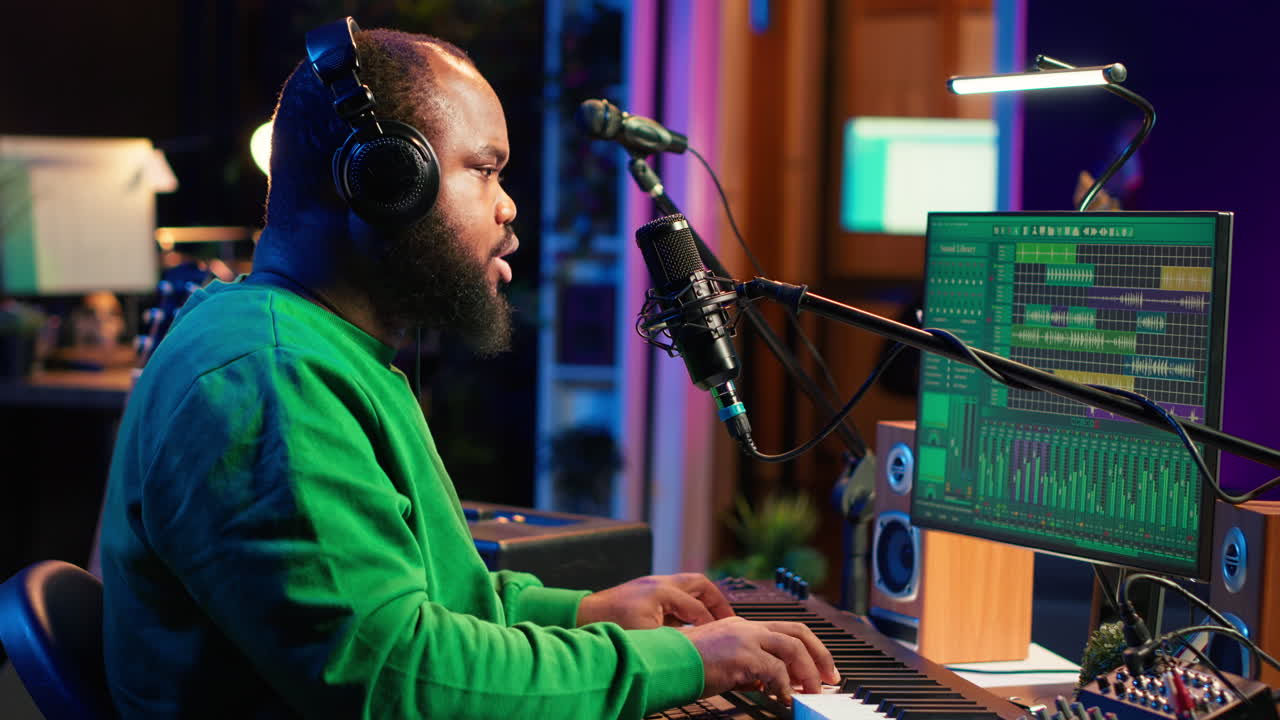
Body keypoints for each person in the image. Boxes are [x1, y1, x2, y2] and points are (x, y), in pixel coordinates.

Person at [99, 19, 836, 719]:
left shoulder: (318, 350)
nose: (509, 206)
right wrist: (685, 662)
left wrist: (585, 612)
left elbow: (421, 604)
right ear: (386, 178)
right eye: (484, 170)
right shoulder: (273, 377)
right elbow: (396, 679)